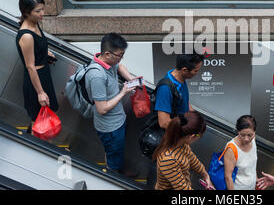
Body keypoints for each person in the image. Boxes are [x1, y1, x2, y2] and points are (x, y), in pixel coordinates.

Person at [145, 52, 205, 188]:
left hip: (176, 139)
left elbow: (184, 103)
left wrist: (196, 119)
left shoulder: (181, 79)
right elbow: (164, 122)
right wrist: (187, 129)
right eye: (196, 70)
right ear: (184, 70)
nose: (197, 73)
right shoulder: (166, 88)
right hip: (165, 141)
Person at [84, 33, 138, 176]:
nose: (121, 58)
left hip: (117, 120)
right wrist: (123, 92)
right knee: (114, 156)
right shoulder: (97, 76)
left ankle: (115, 168)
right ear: (107, 54)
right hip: (110, 127)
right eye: (120, 55)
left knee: (114, 153)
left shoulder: (109, 62)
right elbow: (102, 109)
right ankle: (113, 177)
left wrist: (131, 79)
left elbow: (120, 66)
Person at [15, 0, 59, 135]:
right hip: (36, 80)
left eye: (42, 9)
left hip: (43, 75)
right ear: (26, 13)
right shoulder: (26, 35)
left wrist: (44, 53)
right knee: (39, 121)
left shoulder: (35, 24)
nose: (42, 14)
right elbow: (30, 66)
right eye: (38, 11)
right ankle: (37, 149)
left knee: (45, 117)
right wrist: (40, 92)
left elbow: (36, 46)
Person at [153, 111, 212, 190]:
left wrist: (205, 174)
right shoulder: (168, 159)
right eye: (199, 136)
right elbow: (182, 188)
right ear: (191, 137)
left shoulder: (182, 144)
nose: (198, 139)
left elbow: (192, 159)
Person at [224, 115, 261, 190]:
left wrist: (256, 180)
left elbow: (252, 165)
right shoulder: (231, 149)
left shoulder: (253, 140)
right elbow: (228, 177)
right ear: (238, 132)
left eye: (250, 135)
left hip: (252, 186)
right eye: (242, 135)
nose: (246, 139)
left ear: (254, 132)